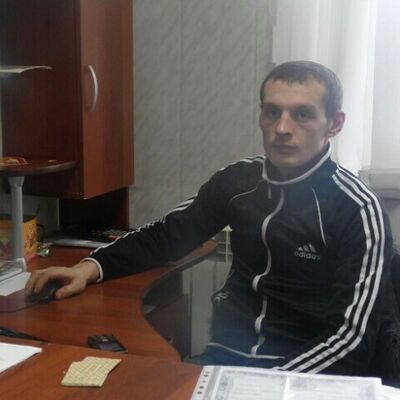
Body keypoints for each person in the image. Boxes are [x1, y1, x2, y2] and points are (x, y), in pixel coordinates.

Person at [26, 61, 395, 377]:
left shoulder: (357, 210)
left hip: (306, 375)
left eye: (302, 114)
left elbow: (352, 340)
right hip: (224, 359)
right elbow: (167, 235)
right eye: (272, 112)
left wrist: (269, 385)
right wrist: (89, 268)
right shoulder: (237, 181)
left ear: (334, 124)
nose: (283, 128)